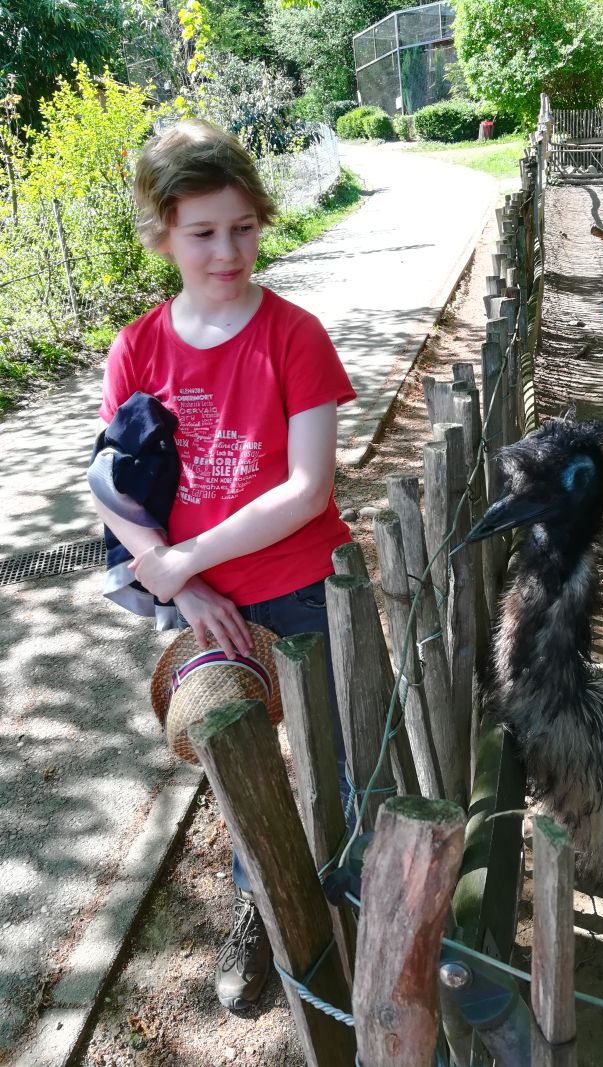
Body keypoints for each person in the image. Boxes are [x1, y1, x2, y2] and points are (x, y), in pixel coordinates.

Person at [90, 118, 356, 1011]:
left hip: (306, 588)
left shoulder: (293, 335)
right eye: (202, 231)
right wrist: (185, 580)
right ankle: (267, 910)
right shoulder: (137, 349)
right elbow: (114, 488)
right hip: (201, 610)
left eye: (242, 226)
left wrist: (188, 556)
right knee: (243, 769)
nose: (228, 249)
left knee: (336, 753)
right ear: (162, 233)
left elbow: (310, 486)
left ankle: (357, 898)